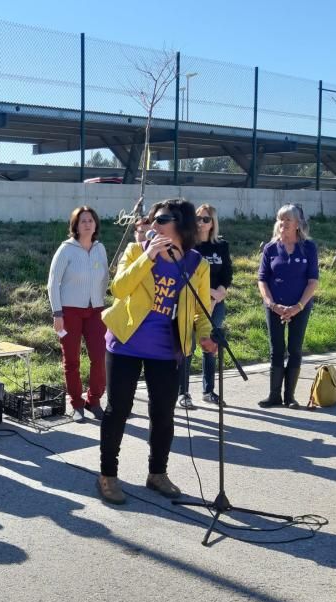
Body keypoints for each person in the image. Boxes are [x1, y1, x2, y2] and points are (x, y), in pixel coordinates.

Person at [98, 198, 217, 505]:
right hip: (125, 342)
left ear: (181, 224)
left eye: (161, 219)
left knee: (163, 414)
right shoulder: (136, 251)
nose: (154, 225)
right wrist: (148, 257)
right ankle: (108, 475)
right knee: (118, 410)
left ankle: (157, 473)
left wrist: (206, 336)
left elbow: (201, 312)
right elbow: (119, 289)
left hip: (166, 349)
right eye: (152, 219)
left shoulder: (196, 264)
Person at [47, 205, 109, 422]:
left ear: (95, 224)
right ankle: (76, 403)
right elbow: (53, 284)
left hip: (96, 311)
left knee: (99, 357)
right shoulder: (66, 249)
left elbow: (106, 278)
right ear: (75, 225)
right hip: (69, 312)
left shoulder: (100, 248)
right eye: (82, 220)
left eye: (90, 220)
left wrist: (103, 303)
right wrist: (57, 313)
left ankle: (94, 400)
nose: (87, 224)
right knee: (71, 359)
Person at [257, 203, 319, 409]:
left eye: (287, 220)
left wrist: (298, 306)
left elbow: (313, 281)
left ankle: (289, 396)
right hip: (274, 307)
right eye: (280, 219)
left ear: (298, 224)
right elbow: (262, 279)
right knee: (276, 349)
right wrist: (271, 304)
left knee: (294, 349)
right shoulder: (270, 248)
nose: (283, 223)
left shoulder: (308, 248)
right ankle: (274, 395)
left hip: (300, 307)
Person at [177, 203, 233, 408]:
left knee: (210, 346)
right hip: (191, 302)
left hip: (215, 304)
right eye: (198, 218)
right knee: (187, 346)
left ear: (213, 223)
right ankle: (183, 393)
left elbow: (227, 274)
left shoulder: (221, 245)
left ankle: (209, 390)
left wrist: (219, 293)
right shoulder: (188, 246)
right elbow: (187, 275)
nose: (201, 223)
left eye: (206, 219)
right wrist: (208, 292)